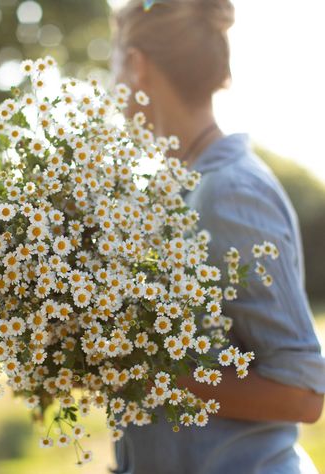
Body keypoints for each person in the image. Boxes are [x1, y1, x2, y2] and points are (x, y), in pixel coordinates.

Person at [109, 0, 325, 472]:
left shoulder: (229, 190)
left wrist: (146, 379)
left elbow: (304, 393)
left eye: (114, 62)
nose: (113, 85)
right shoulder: (181, 190)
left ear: (137, 65)